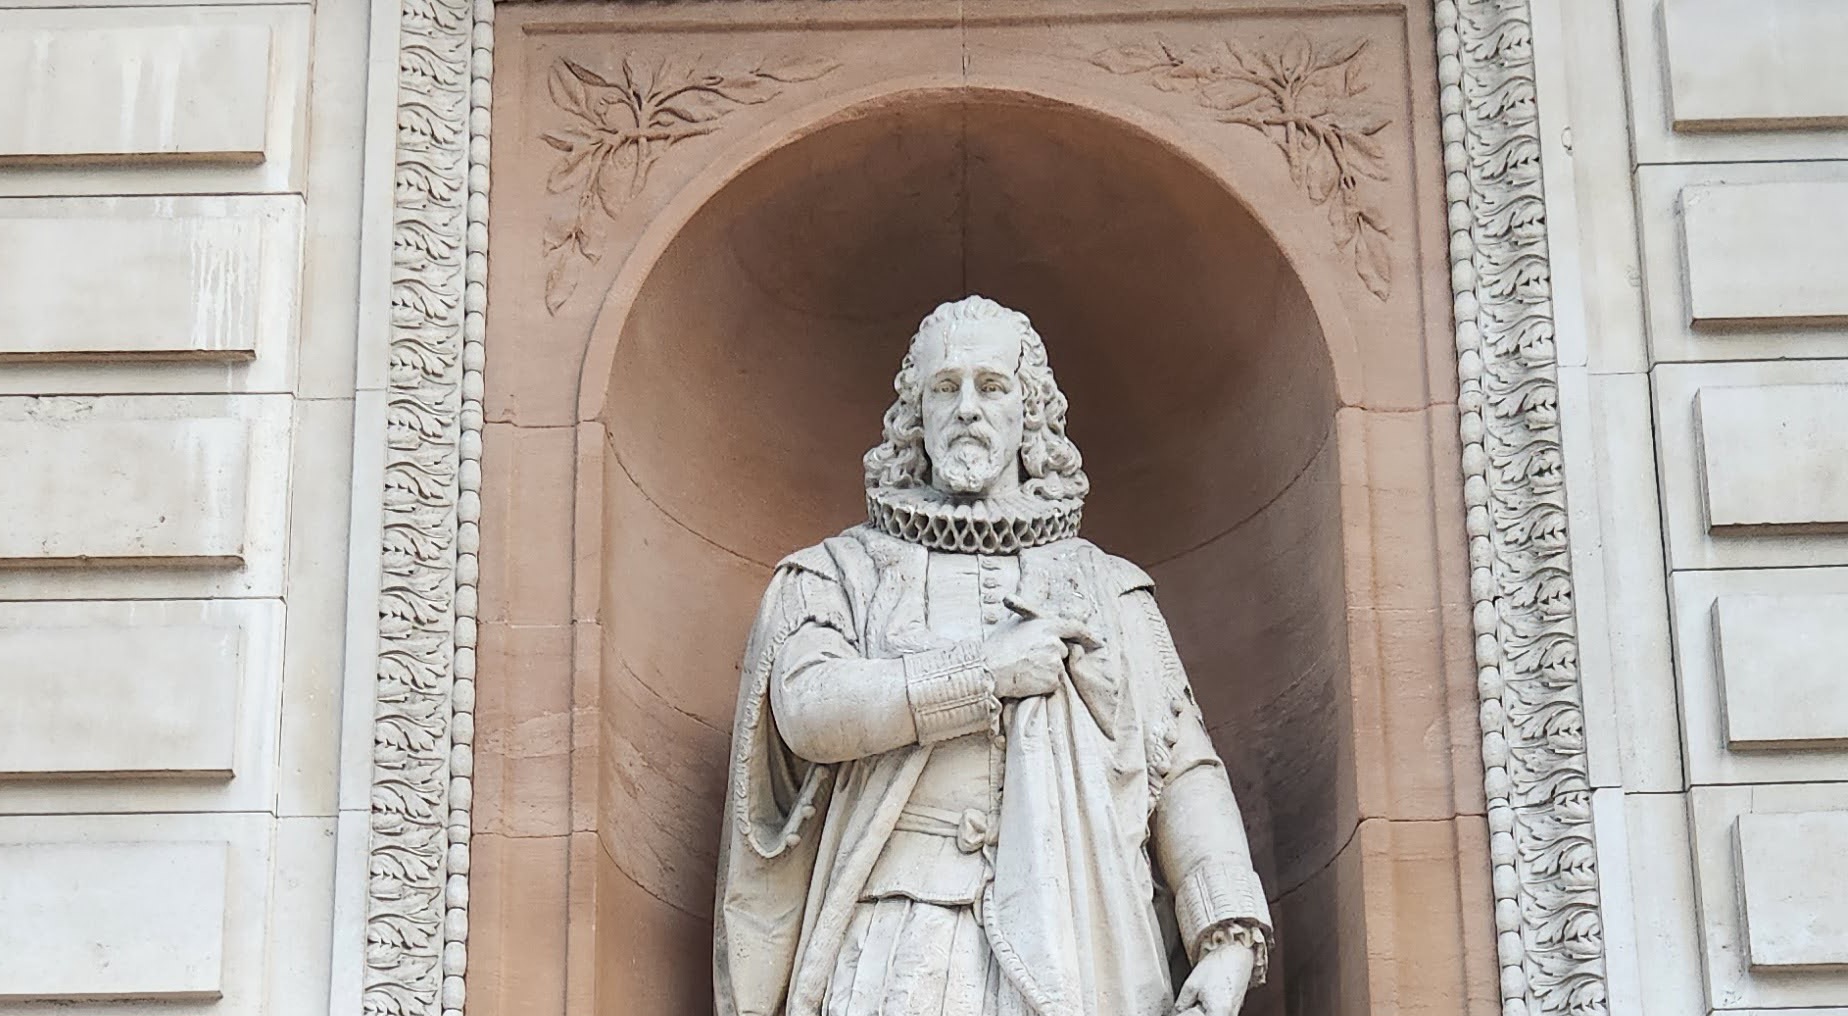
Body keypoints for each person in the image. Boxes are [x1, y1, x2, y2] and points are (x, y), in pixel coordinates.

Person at [715, 295, 1271, 1016]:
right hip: (898, 928)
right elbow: (809, 707)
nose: (968, 408)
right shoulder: (839, 572)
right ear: (916, 416)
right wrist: (986, 673)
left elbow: (1181, 766)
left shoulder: (1108, 587)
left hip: (1080, 932)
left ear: (1028, 412)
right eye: (945, 388)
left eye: (993, 386)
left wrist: (1226, 939)